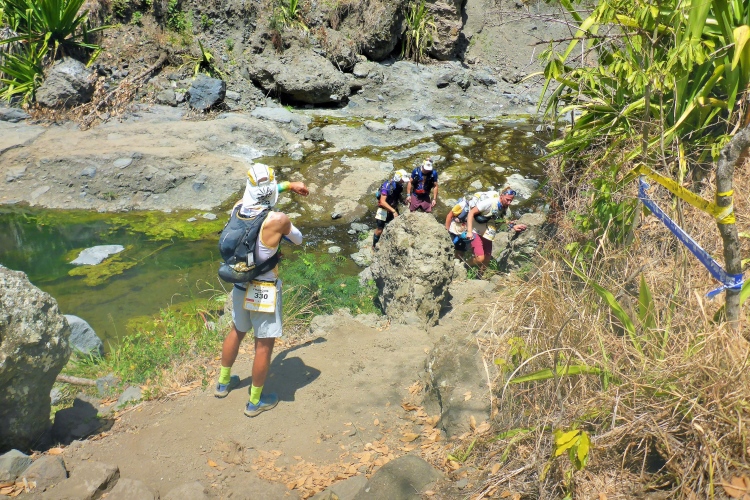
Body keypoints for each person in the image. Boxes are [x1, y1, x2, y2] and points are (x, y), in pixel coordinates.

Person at [215, 163, 308, 418]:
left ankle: (223, 383)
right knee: (264, 345)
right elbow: (298, 239)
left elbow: (259, 194)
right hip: (265, 287)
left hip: (240, 280)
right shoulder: (278, 220)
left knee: (237, 331)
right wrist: (288, 187)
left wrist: (289, 186)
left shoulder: (237, 208)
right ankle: (255, 402)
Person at [464, 188, 527, 275]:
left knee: (487, 259)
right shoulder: (489, 203)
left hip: (488, 233)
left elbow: (504, 222)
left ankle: (479, 277)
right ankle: (464, 266)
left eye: (511, 200)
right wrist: (469, 231)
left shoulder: (506, 210)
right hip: (475, 231)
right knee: (480, 258)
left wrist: (513, 226)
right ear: (501, 196)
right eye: (507, 200)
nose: (509, 203)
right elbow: (471, 213)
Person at [373, 169, 409, 249]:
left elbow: (398, 194)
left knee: (397, 225)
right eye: (402, 180)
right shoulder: (386, 186)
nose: (404, 181)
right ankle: (374, 245)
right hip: (383, 210)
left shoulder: (399, 186)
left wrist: (403, 201)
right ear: (398, 178)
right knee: (380, 230)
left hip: (393, 208)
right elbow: (382, 202)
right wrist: (393, 211)